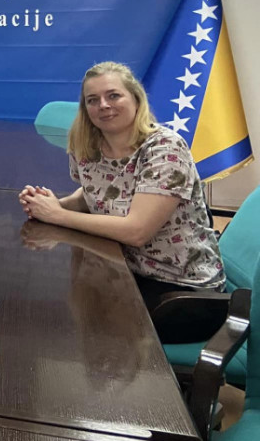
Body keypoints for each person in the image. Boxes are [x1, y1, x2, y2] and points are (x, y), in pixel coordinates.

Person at [19, 61, 224, 331]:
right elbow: (93, 194)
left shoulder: (165, 148)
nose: (103, 105)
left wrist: (57, 215)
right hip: (125, 269)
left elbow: (136, 232)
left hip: (181, 289)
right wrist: (54, 205)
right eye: (92, 100)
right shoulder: (86, 146)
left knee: (86, 327)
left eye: (113, 95)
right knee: (53, 304)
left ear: (136, 99)